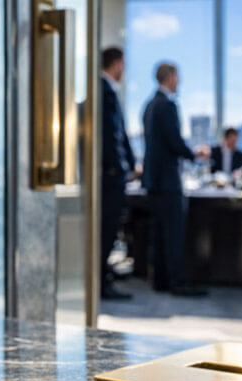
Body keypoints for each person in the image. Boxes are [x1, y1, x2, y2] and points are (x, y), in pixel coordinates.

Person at [142, 62, 209, 296]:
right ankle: (178, 282)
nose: (179, 82)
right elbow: (174, 141)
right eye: (177, 77)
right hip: (168, 182)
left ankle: (161, 281)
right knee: (173, 235)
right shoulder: (167, 105)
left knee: (159, 235)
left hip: (153, 181)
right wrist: (195, 154)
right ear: (170, 78)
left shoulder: (149, 105)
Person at [99, 47, 136, 300]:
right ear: (117, 63)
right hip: (110, 175)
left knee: (110, 230)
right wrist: (119, 167)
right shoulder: (104, 90)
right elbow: (112, 136)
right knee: (106, 230)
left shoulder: (108, 90)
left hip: (113, 172)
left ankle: (103, 279)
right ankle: (101, 282)